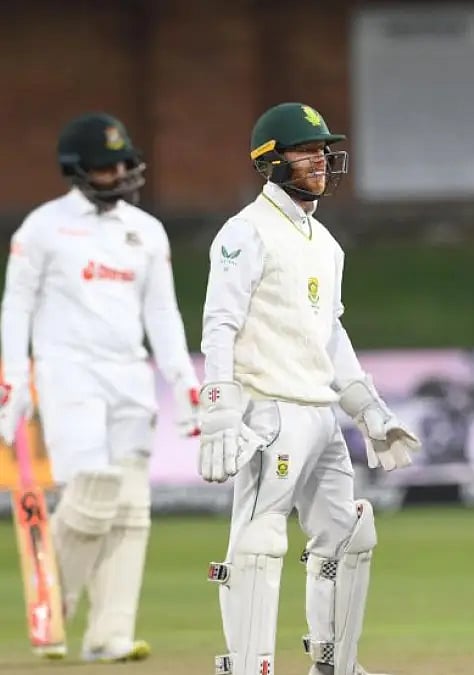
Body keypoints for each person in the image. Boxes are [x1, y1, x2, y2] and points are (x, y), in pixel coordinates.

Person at [196, 101, 421, 675]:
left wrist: (367, 407)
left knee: (349, 535)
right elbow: (219, 321)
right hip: (269, 409)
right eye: (305, 151)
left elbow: (329, 332)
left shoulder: (325, 242)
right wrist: (218, 407)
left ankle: (334, 663)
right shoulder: (244, 232)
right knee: (260, 541)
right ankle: (249, 667)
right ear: (270, 161)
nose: (320, 160)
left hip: (320, 413)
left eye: (323, 149)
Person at [0, 111, 199, 663]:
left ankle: (108, 634)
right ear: (78, 168)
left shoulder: (146, 231)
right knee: (91, 491)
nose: (119, 172)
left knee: (132, 507)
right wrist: (13, 377)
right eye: (107, 165)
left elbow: (161, 312)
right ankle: (52, 605)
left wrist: (183, 380)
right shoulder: (42, 228)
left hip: (129, 375)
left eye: (122, 162)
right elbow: (15, 305)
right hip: (68, 372)